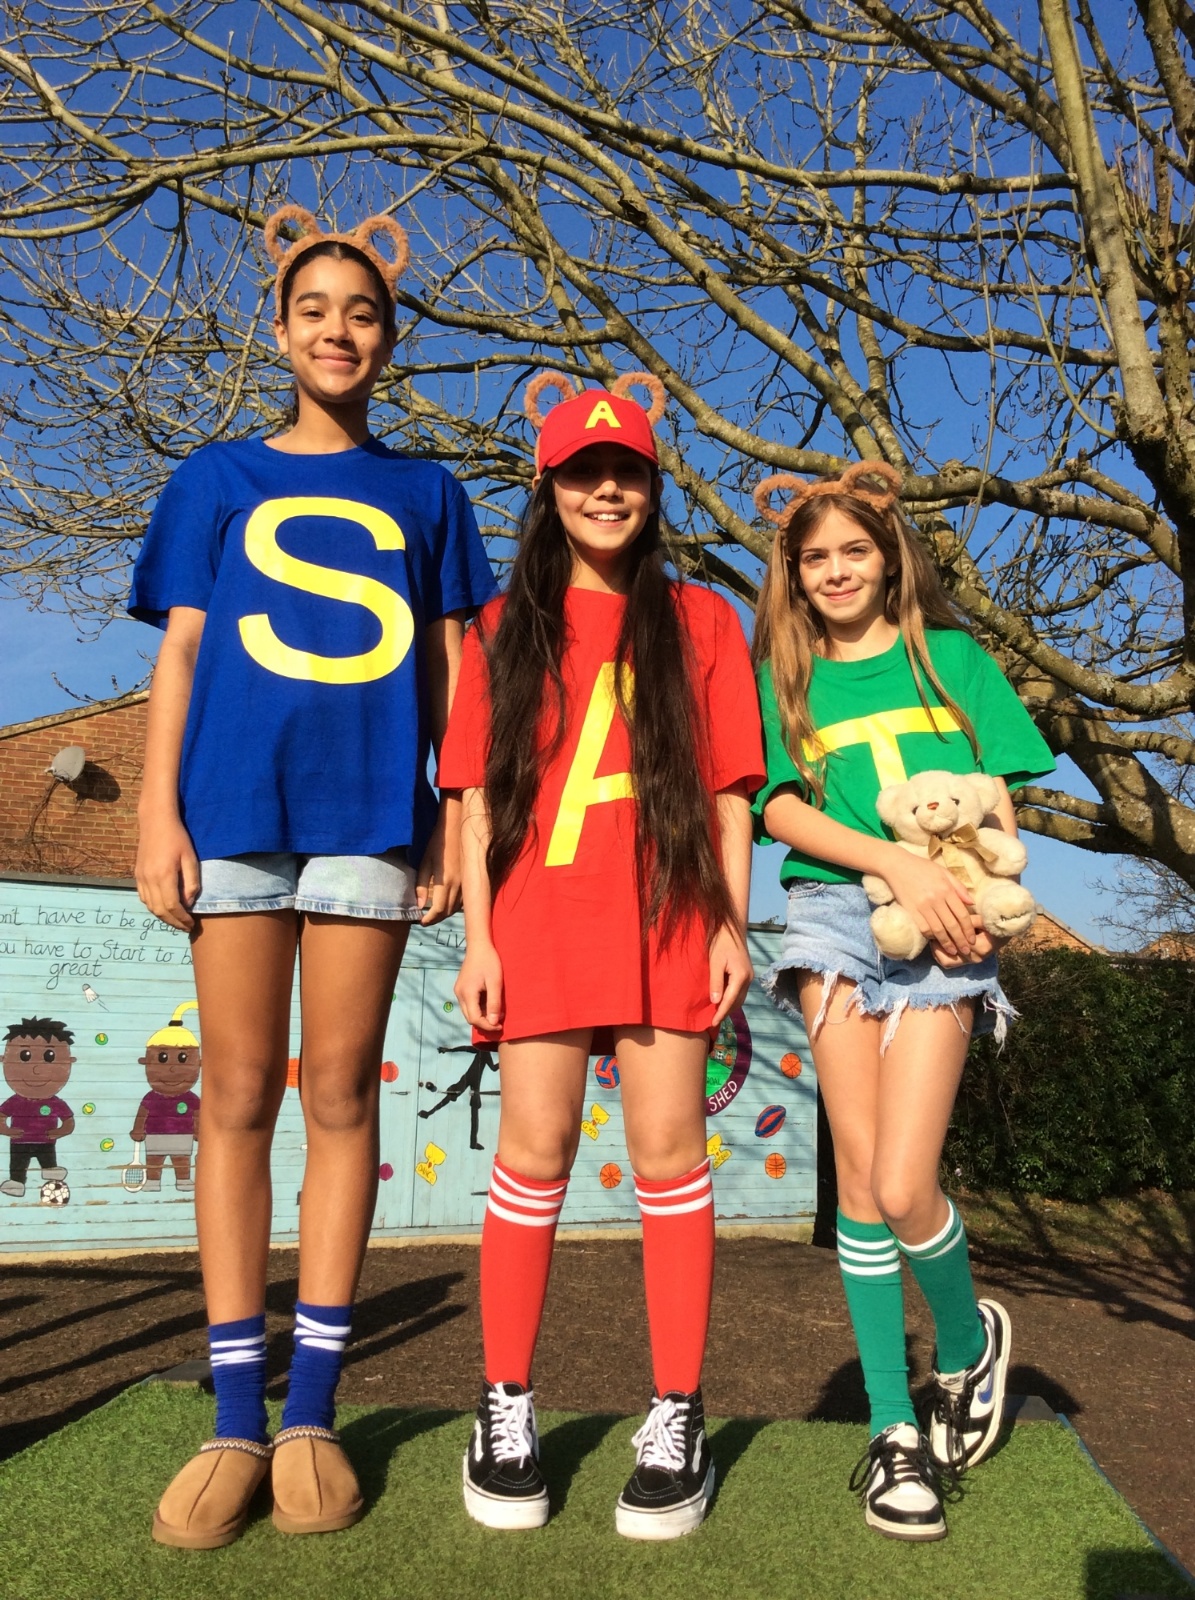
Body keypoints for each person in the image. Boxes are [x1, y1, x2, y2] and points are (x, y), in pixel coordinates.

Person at [129, 205, 496, 1549]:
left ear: (389, 337)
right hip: (231, 814)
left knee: (338, 1095)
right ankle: (234, 1418)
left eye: (363, 312)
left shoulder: (428, 492)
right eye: (315, 310)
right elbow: (179, 654)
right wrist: (153, 815)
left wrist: (456, 822)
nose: (339, 330)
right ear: (278, 329)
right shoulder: (213, 477)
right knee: (233, 1097)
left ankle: (312, 1416)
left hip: (370, 820)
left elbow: (457, 670)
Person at [439, 373, 764, 1540]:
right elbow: (476, 801)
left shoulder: (705, 621)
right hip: (536, 920)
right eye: (584, 473)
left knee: (670, 1154)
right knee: (531, 1154)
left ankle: (675, 1412)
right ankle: (505, 1408)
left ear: (653, 485)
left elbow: (730, 795)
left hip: (671, 914)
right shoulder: (498, 626)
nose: (607, 490)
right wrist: (479, 938)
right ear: (549, 487)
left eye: (626, 470)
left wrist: (730, 921)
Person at [750, 461, 1055, 1542]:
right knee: (860, 1188)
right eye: (814, 558)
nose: (835, 571)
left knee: (902, 1179)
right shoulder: (783, 678)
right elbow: (780, 810)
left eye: (854, 552)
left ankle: (965, 1346)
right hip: (835, 918)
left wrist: (972, 893)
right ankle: (892, 1427)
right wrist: (893, 862)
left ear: (889, 561)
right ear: (793, 574)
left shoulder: (953, 659)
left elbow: (996, 800)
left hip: (950, 917)